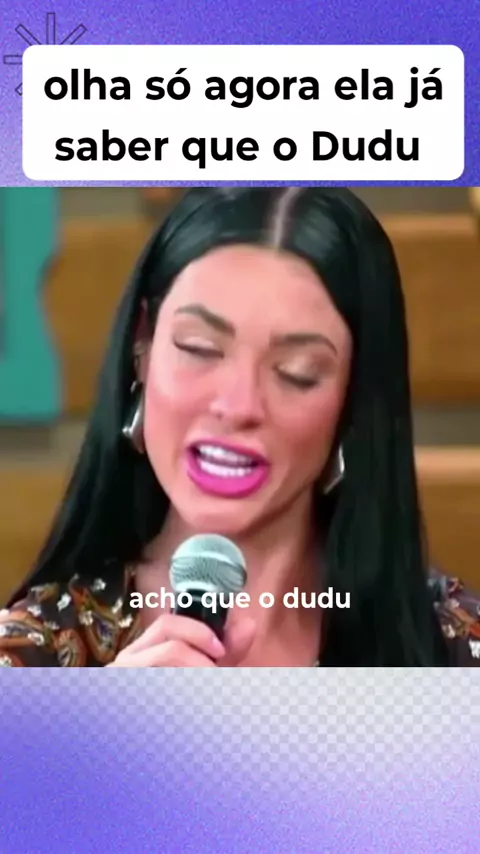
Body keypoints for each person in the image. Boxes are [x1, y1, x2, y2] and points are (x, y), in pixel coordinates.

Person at [1, 187, 479, 667]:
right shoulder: (32, 658)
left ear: (354, 399)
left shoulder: (449, 648)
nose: (238, 406)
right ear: (142, 346)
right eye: (199, 348)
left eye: (296, 372)